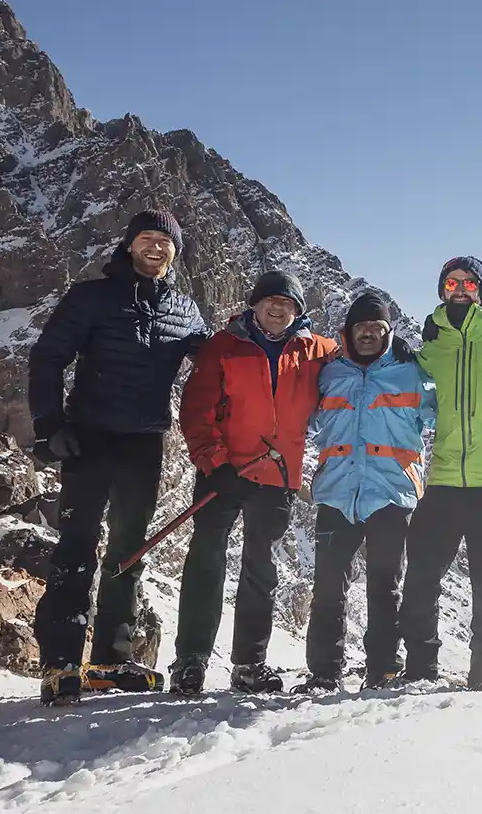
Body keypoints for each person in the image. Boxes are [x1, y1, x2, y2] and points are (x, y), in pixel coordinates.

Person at [29, 209, 208, 705]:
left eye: (164, 242)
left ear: (175, 251)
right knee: (77, 544)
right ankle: (60, 663)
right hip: (89, 436)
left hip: (143, 443)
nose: (155, 248)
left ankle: (112, 657)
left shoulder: (186, 310)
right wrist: (50, 427)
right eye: (146, 239)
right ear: (130, 245)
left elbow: (216, 363)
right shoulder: (91, 297)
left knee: (130, 549)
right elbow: (47, 358)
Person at [172, 271, 338, 695]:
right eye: (271, 301)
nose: (279, 308)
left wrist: (401, 351)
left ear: (299, 311)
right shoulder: (225, 347)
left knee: (260, 569)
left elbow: (359, 358)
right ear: (255, 305)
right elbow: (196, 408)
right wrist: (214, 463)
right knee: (207, 560)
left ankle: (249, 664)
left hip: (276, 477)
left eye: (289, 303)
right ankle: (191, 661)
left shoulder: (316, 351)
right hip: (223, 473)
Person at [399, 257, 482, 688]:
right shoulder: (433, 344)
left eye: (469, 283)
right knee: (420, 575)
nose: (460, 289)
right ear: (442, 290)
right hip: (443, 482)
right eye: (452, 283)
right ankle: (421, 670)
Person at [296, 291, 435, 693]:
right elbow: (300, 416)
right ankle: (323, 672)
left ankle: (383, 670)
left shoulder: (412, 373)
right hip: (337, 493)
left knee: (384, 586)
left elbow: (445, 416)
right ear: (349, 331)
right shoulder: (329, 374)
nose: (369, 334)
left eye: (378, 328)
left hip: (391, 495)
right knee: (326, 588)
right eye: (362, 327)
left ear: (389, 332)